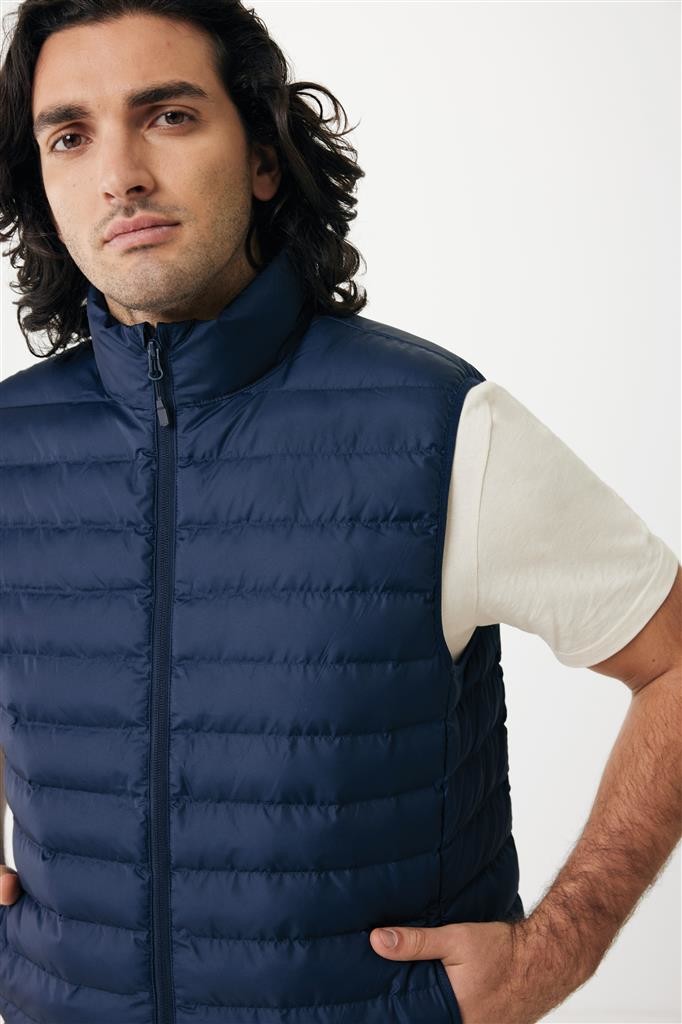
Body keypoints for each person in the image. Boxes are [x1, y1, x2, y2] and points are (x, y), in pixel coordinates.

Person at [0, 2, 680, 1023]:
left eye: (169, 116)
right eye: (70, 135)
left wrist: (559, 949)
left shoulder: (438, 426)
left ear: (264, 158)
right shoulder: (10, 443)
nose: (120, 174)